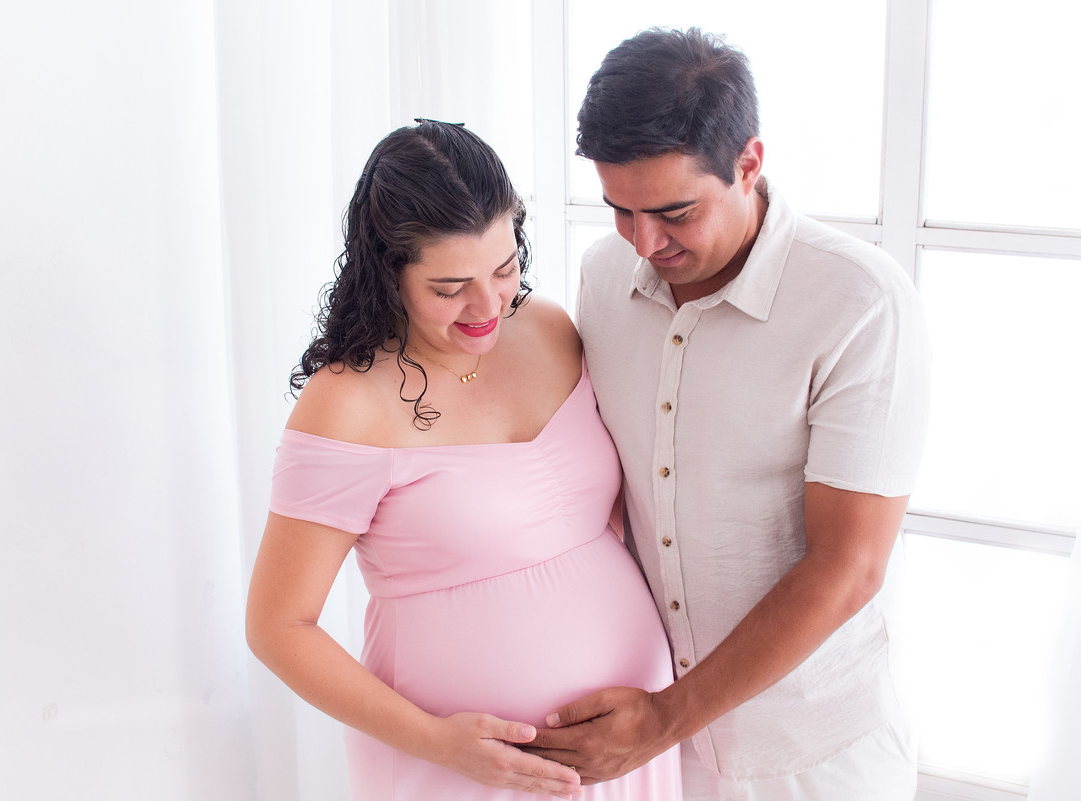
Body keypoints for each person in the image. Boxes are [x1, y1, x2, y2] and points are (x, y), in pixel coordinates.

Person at [524, 28, 932, 801]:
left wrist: (662, 719)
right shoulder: (604, 275)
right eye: (620, 210)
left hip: (813, 756)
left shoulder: (860, 302)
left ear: (749, 163)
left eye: (674, 211)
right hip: (649, 742)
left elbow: (849, 567)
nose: (644, 241)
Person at [245, 120, 682, 801]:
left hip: (625, 740)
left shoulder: (548, 329)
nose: (487, 306)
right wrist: (439, 742)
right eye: (449, 288)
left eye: (504, 269)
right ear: (388, 274)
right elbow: (277, 627)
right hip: (457, 767)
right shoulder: (346, 403)